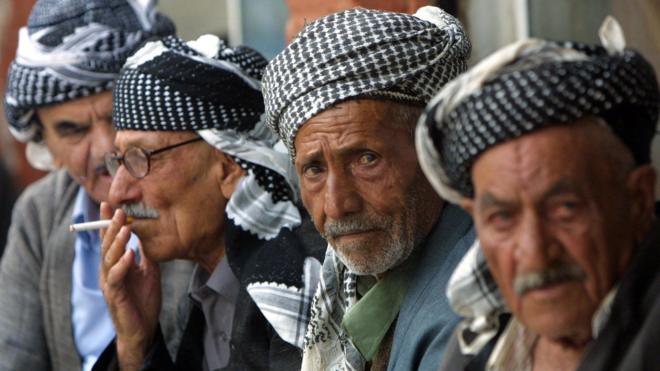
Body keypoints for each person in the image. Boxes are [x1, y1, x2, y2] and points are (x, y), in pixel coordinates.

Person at [415, 17, 660, 371]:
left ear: (638, 200)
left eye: (565, 209)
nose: (534, 251)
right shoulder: (477, 346)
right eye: (502, 218)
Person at [93, 35, 326, 371]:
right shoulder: (204, 287)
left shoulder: (293, 289)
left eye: (141, 158)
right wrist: (135, 343)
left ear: (229, 168)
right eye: (119, 160)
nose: (117, 194)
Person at [263, 6, 474, 371]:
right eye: (314, 169)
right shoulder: (358, 282)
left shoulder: (464, 313)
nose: (337, 204)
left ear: (436, 151)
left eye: (366, 159)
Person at [0, 1, 192, 370]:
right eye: (74, 130)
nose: (106, 149)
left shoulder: (204, 200)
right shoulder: (39, 214)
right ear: (44, 144)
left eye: (118, 117)